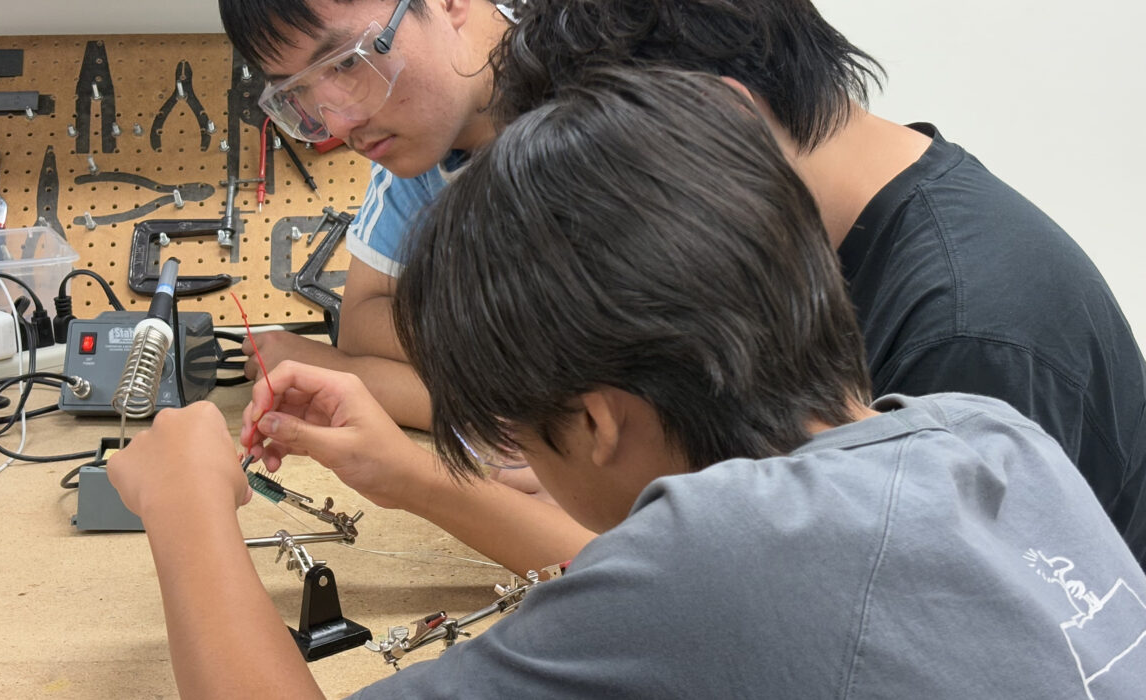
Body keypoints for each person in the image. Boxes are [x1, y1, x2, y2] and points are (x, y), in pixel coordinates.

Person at [108, 67, 1146, 698]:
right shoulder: (980, 435)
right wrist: (409, 474)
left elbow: (677, 582)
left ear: (599, 422)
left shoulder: (719, 569)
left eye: (520, 437)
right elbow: (673, 580)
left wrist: (186, 504)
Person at [487, 0, 1146, 565]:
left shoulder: (964, 336)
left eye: (611, 194)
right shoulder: (824, 252)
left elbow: (901, 626)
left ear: (724, 121)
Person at [218, 0, 521, 431]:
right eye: (297, 91)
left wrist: (341, 373)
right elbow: (361, 324)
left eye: (345, 62)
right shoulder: (424, 143)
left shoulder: (620, 104)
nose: (339, 124)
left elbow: (561, 414)